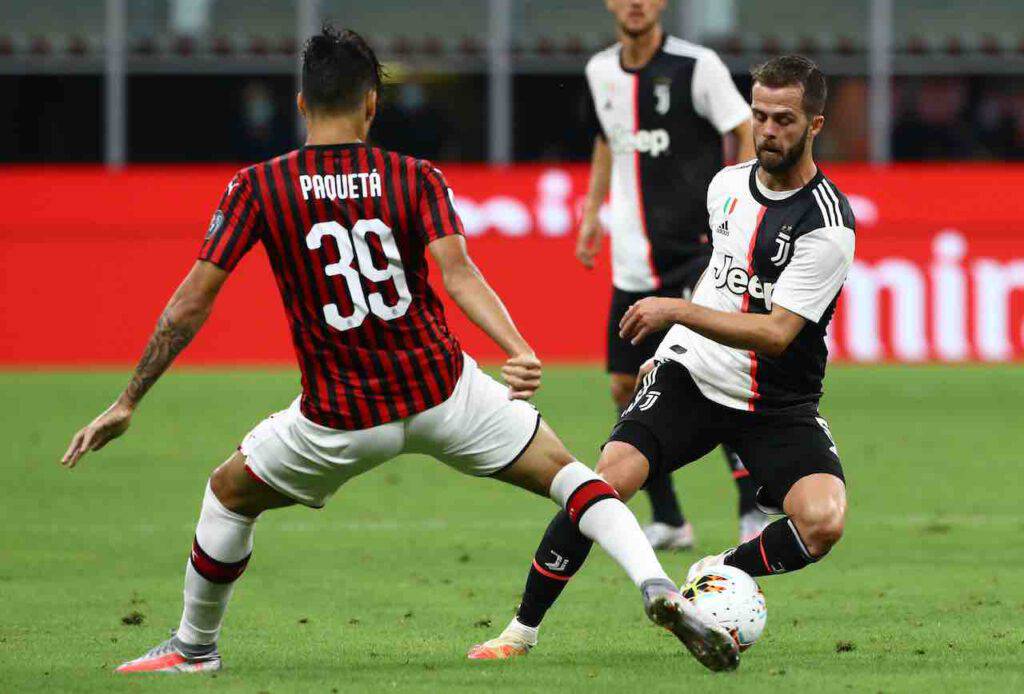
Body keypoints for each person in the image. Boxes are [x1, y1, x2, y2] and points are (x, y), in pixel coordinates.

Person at [60, 26, 738, 675]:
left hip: (338, 420)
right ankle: (654, 584)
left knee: (229, 493)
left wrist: (127, 400)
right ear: (372, 104)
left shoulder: (258, 186)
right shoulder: (414, 176)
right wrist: (514, 345)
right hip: (446, 392)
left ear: (301, 103)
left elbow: (189, 304)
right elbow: (459, 272)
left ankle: (195, 647)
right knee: (573, 477)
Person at [470, 54, 853, 666]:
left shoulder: (826, 226)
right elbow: (719, 281)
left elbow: (779, 334)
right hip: (693, 380)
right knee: (601, 483)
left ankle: (716, 570)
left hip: (776, 403)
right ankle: (519, 631)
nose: (767, 130)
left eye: (784, 118)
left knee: (823, 521)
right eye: (759, 115)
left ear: (814, 125)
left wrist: (673, 315)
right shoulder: (727, 186)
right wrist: (673, 351)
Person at [576, 0, 766, 549]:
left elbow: (741, 127)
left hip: (697, 256)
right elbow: (607, 142)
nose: (635, 4)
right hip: (632, 258)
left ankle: (752, 505)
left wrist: (746, 203)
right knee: (623, 384)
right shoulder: (599, 71)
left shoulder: (696, 65)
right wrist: (592, 214)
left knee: (711, 375)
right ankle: (670, 519)